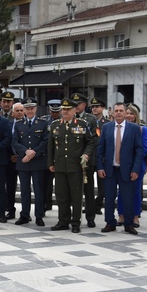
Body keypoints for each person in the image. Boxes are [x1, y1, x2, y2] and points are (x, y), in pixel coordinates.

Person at [48, 98, 95, 233]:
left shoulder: (82, 124)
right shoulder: (56, 125)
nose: (65, 112)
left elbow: (90, 142)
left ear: (74, 110)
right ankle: (63, 221)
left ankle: (76, 222)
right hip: (60, 165)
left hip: (76, 166)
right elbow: (50, 146)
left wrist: (86, 155)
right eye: (63, 110)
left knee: (76, 196)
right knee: (61, 195)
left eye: (68, 110)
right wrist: (50, 163)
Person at [97, 103, 145, 235]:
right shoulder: (106, 128)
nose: (118, 113)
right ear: (112, 113)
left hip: (127, 170)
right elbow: (100, 149)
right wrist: (100, 167)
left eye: (121, 111)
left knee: (128, 197)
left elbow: (139, 150)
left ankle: (129, 224)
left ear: (125, 113)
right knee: (109, 197)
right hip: (109, 170)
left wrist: (135, 169)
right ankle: (109, 222)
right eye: (116, 111)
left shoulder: (134, 128)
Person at [13, 97, 50, 227]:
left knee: (38, 190)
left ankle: (39, 216)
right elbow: (15, 142)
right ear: (24, 110)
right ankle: (24, 215)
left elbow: (46, 141)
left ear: (36, 109)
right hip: (23, 161)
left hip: (38, 161)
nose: (29, 111)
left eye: (31, 108)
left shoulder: (43, 123)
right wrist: (26, 152)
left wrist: (34, 152)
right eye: (27, 108)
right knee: (24, 190)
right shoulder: (18, 124)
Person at [70, 93, 99, 228]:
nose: (76, 107)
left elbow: (94, 140)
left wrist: (86, 156)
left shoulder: (91, 119)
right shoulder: (68, 118)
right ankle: (73, 216)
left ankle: (90, 217)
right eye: (73, 104)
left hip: (87, 161)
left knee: (88, 191)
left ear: (84, 105)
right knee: (72, 190)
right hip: (71, 161)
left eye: (78, 104)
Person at [119, 104, 147, 227]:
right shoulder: (120, 128)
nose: (129, 116)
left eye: (132, 113)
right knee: (121, 191)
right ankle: (121, 215)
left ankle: (135, 217)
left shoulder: (142, 129)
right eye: (128, 113)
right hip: (122, 164)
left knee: (136, 192)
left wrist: (132, 158)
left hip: (137, 164)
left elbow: (145, 148)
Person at [3, 102, 25, 219]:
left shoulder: (29, 124)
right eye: (17, 110)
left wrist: (21, 155)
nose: (20, 112)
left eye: (22, 110)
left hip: (25, 160)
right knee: (10, 187)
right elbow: (5, 141)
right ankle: (10, 210)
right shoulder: (8, 124)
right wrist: (10, 155)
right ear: (12, 113)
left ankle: (25, 212)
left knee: (25, 188)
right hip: (10, 160)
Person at [41, 99, 62, 212]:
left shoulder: (64, 121)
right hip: (47, 157)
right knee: (46, 183)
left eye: (57, 111)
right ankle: (46, 203)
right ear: (49, 110)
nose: (55, 114)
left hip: (60, 156)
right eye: (53, 111)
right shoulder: (44, 121)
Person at [90, 97, 109, 215]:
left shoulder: (107, 123)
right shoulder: (88, 121)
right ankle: (90, 205)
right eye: (92, 107)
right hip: (90, 155)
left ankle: (98, 204)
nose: (94, 109)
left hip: (102, 157)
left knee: (102, 184)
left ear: (102, 108)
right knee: (88, 184)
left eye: (97, 107)